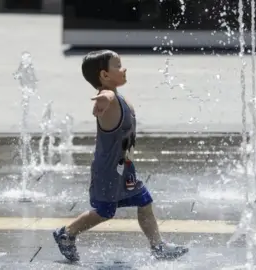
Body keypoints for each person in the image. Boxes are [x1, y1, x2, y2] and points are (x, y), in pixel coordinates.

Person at [53, 50, 189, 262]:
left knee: (144, 201)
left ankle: (158, 246)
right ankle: (67, 233)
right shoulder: (110, 99)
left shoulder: (118, 98)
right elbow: (106, 95)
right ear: (105, 76)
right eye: (118, 66)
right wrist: (103, 98)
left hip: (123, 168)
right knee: (105, 211)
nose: (123, 69)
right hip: (108, 170)